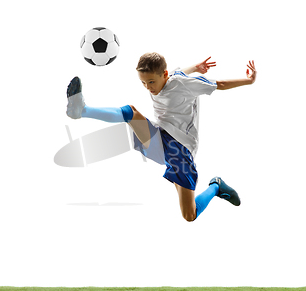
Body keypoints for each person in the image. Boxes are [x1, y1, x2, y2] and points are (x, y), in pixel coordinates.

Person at [66, 53, 257, 221]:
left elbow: (220, 84)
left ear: (164, 75)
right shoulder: (170, 76)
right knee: (130, 112)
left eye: (151, 82)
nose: (148, 87)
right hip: (159, 137)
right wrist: (196, 67)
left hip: (180, 149)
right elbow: (179, 71)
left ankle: (216, 186)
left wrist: (248, 81)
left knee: (190, 215)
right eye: (143, 83)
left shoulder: (185, 84)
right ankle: (82, 110)